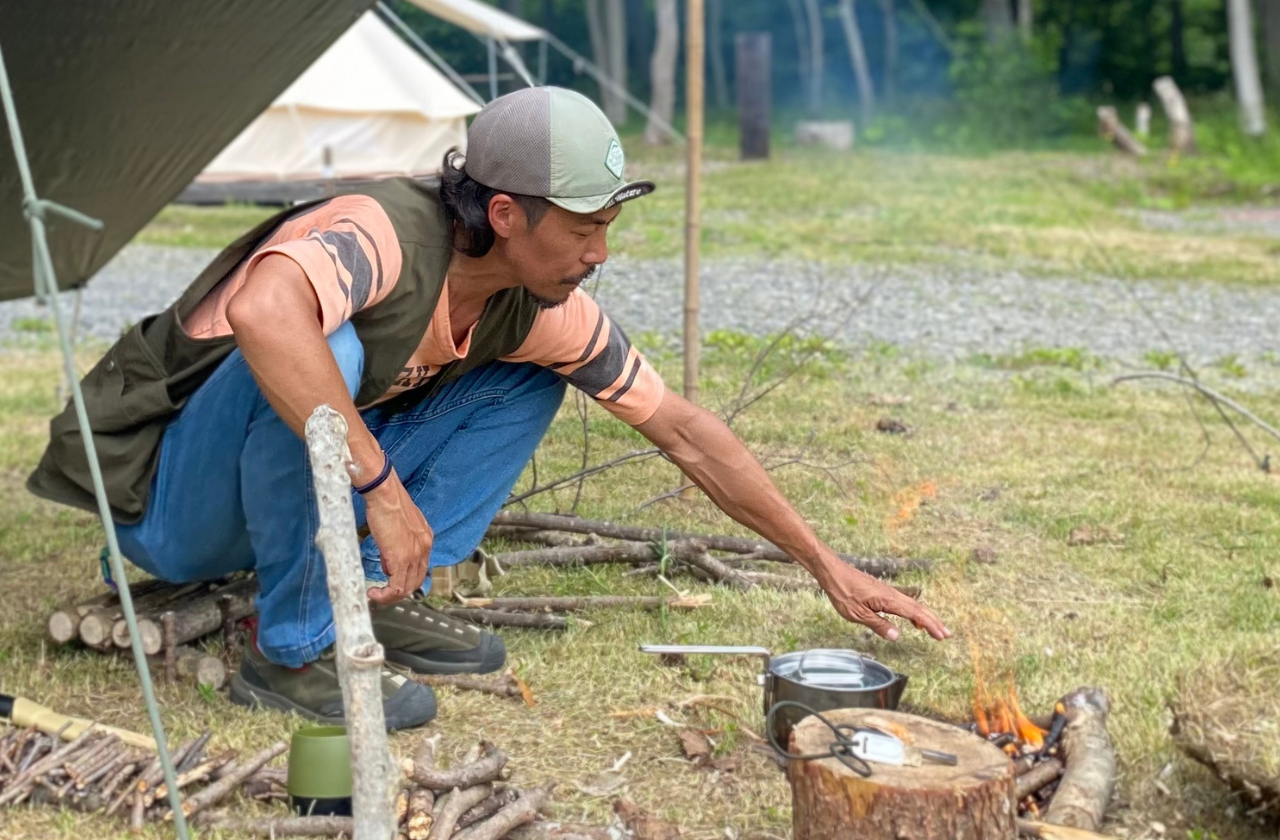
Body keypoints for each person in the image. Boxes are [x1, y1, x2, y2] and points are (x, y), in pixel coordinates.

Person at [29, 87, 949, 731]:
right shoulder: (381, 230)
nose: (598, 252)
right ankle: (293, 652)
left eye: (606, 229)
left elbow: (686, 434)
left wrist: (825, 565)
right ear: (506, 213)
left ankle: (372, 593)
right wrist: (383, 487)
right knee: (322, 345)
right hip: (168, 508)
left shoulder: (532, 300)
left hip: (273, 493)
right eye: (583, 228)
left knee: (531, 374)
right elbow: (266, 313)